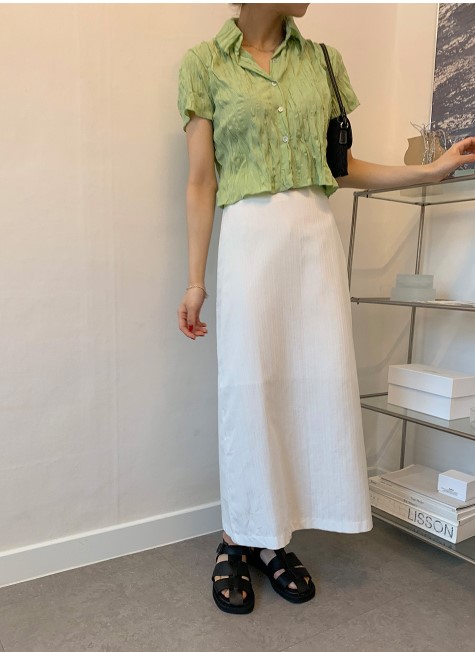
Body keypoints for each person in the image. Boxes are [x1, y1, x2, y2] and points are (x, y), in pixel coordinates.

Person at [176, 3, 475, 615]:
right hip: (249, 242)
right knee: (249, 392)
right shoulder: (204, 64)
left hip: (313, 240)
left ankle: (273, 538)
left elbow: (339, 169)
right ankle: (237, 535)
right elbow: (202, 180)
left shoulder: (323, 63)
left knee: (311, 387)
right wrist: (194, 281)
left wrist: (429, 170)